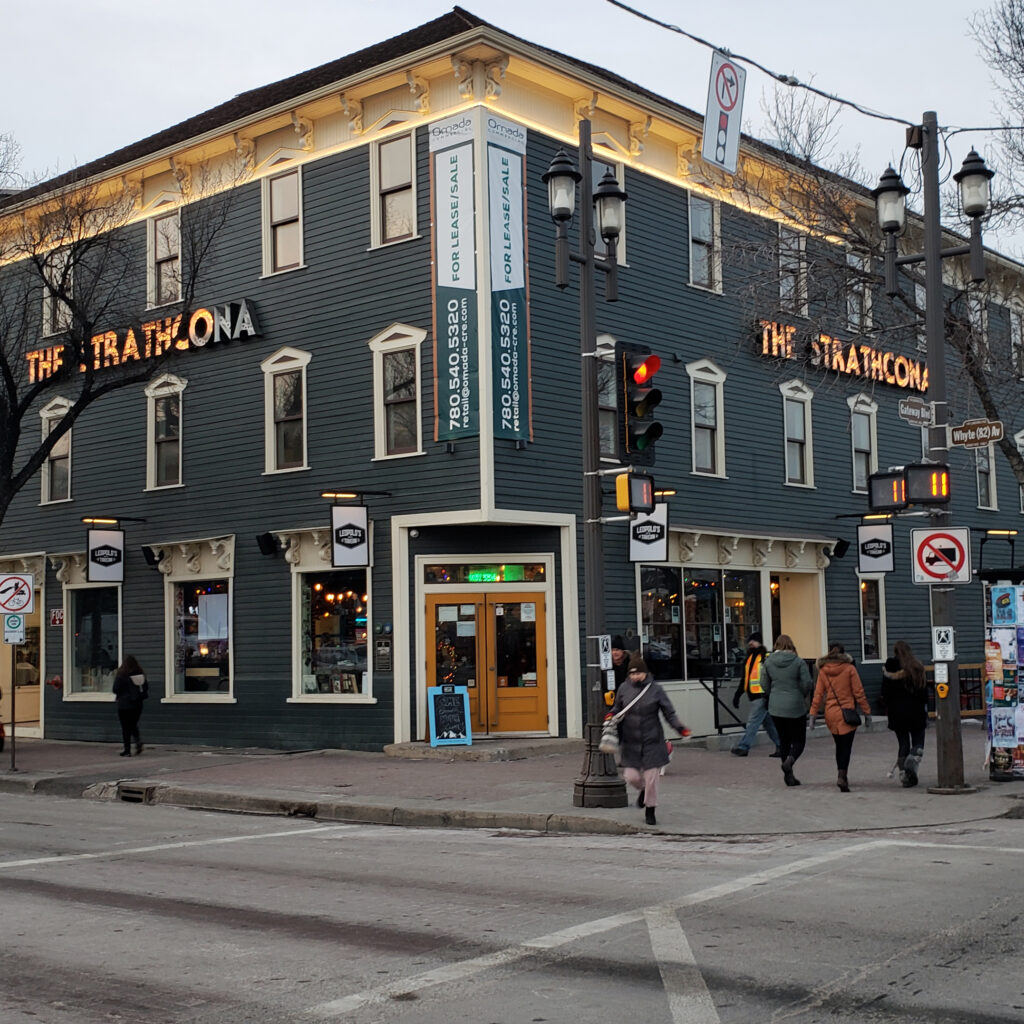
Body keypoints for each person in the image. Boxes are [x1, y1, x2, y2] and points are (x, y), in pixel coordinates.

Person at [610, 651, 689, 827]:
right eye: (632, 674)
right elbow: (617, 708)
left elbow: (669, 712)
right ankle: (643, 790)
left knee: (652, 777)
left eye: (639, 673)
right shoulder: (624, 688)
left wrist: (680, 728)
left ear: (646, 673)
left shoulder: (656, 689)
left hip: (652, 739)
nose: (635, 677)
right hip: (631, 740)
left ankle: (650, 809)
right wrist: (610, 714)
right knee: (630, 776)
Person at [809, 642, 871, 792]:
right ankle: (842, 775)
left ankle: (841, 773)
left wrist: (813, 714)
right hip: (847, 713)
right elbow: (859, 692)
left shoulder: (823, 670)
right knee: (846, 747)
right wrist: (867, 712)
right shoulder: (849, 669)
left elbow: (818, 694)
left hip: (831, 713)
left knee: (839, 746)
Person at [762, 634, 812, 786]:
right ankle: (790, 760)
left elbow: (763, 683)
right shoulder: (798, 662)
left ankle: (788, 776)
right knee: (799, 740)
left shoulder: (768, 662)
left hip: (776, 706)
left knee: (784, 740)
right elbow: (807, 683)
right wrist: (801, 694)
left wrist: (773, 694)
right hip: (796, 705)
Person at [881, 640, 928, 787]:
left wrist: (890, 705)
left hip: (897, 713)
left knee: (903, 743)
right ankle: (912, 758)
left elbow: (884, 693)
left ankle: (904, 775)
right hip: (916, 711)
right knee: (918, 741)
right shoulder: (917, 667)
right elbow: (923, 691)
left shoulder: (889, 668)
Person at [730, 633, 781, 757]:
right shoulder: (749, 658)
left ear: (759, 642)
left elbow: (773, 677)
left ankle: (743, 747)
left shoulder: (766, 657)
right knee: (769, 725)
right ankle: (782, 746)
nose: (750, 643)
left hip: (762, 696)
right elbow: (745, 679)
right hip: (755, 696)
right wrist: (738, 695)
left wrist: (769, 695)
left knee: (752, 722)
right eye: (750, 641)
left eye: (753, 641)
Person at [112, 655, 148, 757]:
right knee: (133, 724)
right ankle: (138, 741)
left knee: (125, 727)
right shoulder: (140, 674)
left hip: (124, 705)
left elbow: (115, 689)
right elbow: (146, 688)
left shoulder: (122, 675)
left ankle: (127, 750)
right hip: (138, 704)